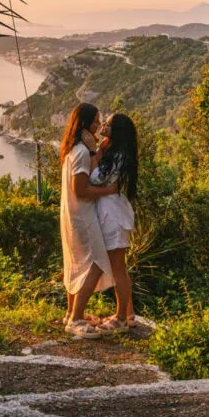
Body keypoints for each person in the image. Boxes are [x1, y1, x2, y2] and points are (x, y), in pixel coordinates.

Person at [58, 103, 119, 339]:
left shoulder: (72, 149)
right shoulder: (82, 153)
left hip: (71, 214)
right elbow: (81, 189)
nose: (97, 126)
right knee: (97, 263)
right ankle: (75, 320)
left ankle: (71, 313)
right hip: (83, 215)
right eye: (94, 122)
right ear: (83, 123)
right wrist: (109, 190)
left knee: (76, 263)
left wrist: (95, 151)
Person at [89, 113, 138, 334]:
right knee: (119, 266)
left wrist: (96, 153)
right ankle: (128, 314)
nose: (103, 126)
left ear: (116, 130)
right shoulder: (117, 151)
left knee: (118, 267)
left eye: (107, 124)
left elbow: (96, 179)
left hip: (112, 214)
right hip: (113, 210)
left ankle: (120, 318)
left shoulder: (116, 154)